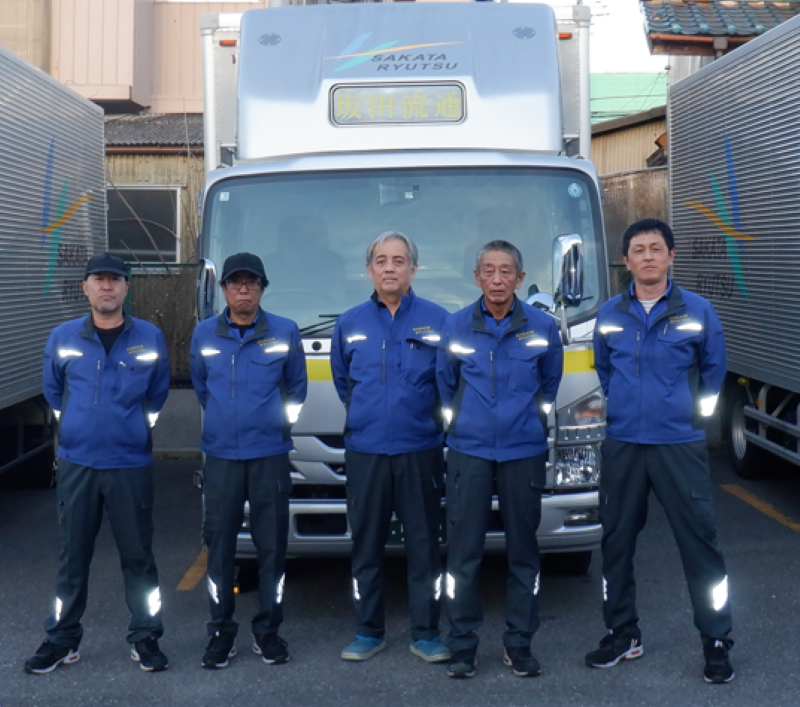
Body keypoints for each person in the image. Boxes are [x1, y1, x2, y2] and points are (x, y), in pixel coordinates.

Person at [586, 218, 734, 684]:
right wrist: (625, 410)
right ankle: (622, 633)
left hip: (678, 447)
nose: (647, 256)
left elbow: (713, 372)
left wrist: (691, 420)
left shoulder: (698, 311)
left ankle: (716, 641)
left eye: (656, 248)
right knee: (616, 544)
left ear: (671, 256)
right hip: (624, 446)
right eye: (638, 249)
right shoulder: (609, 314)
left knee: (700, 545)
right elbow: (605, 370)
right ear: (625, 260)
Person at [25, 253, 171, 674]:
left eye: (115, 279)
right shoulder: (63, 337)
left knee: (139, 557)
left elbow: (157, 394)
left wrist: (132, 429)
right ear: (86, 288)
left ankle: (145, 637)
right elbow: (54, 393)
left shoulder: (150, 338)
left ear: (126, 287)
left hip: (129, 464)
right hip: (79, 464)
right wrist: (78, 428)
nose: (107, 286)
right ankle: (62, 639)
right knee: (73, 558)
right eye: (99, 280)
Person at [437, 240, 563, 679]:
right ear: (476, 278)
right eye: (488, 271)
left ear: (520, 279)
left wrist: (529, 421)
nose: (497, 279)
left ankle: (520, 642)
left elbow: (549, 384)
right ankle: (462, 644)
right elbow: (445, 384)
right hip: (469, 452)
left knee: (523, 552)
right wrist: (462, 424)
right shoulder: (455, 326)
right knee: (463, 553)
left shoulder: (543, 328)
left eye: (505, 271)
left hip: (523, 452)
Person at [331, 231, 450, 663]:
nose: (389, 268)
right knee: (366, 546)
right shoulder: (349, 323)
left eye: (398, 261)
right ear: (369, 270)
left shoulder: (439, 321)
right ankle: (368, 631)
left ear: (413, 270)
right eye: (381, 260)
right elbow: (344, 383)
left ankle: (426, 633)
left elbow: (449, 382)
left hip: (420, 449)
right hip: (366, 451)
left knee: (424, 546)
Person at [190, 253, 307, 669]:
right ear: (223, 289)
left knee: (272, 548)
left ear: (262, 288)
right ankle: (220, 633)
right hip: (222, 457)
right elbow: (202, 389)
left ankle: (268, 632)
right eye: (235, 282)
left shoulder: (285, 331)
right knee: (220, 548)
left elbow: (296, 389)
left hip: (269, 456)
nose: (243, 289)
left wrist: (274, 427)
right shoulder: (204, 334)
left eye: (251, 282)